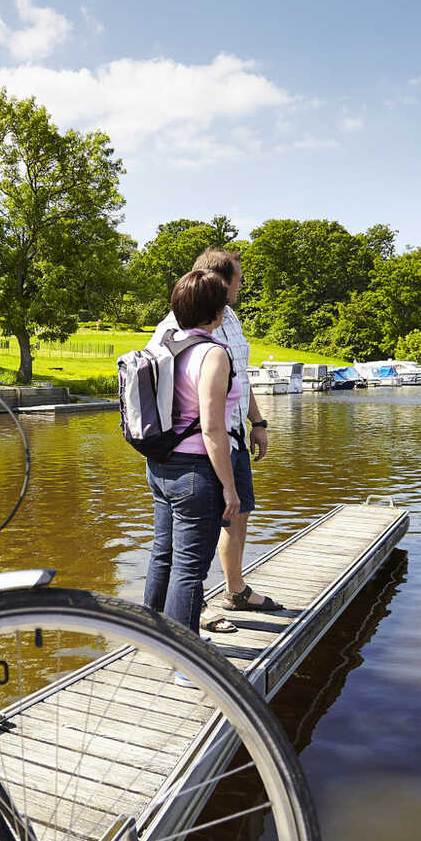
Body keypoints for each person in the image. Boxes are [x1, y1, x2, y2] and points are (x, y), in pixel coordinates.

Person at [150, 249, 276, 624]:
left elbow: (241, 376)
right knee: (184, 555)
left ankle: (231, 591)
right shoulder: (178, 331)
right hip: (200, 454)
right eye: (237, 279)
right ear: (218, 285)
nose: (240, 286)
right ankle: (188, 625)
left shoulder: (229, 320)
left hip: (226, 441)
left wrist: (258, 422)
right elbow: (205, 421)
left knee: (233, 520)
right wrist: (225, 483)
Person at [143, 269, 242, 633]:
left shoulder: (167, 345)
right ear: (216, 313)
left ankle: (150, 635)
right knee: (188, 569)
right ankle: (187, 662)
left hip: (160, 466)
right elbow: (213, 429)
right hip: (196, 472)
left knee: (162, 556)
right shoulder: (213, 355)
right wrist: (229, 488)